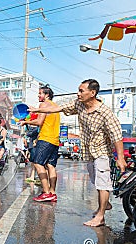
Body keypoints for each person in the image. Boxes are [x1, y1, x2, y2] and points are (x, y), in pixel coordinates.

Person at [29, 79, 126, 227]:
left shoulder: (105, 113)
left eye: (81, 91)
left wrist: (120, 158)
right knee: (96, 181)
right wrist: (37, 110)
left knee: (102, 184)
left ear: (92, 93)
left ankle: (100, 217)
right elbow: (58, 108)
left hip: (102, 152)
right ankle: (105, 204)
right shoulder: (79, 104)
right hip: (88, 152)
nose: (78, 93)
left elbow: (117, 136)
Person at [20, 85, 60, 203]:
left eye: (40, 93)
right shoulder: (55, 107)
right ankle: (52, 192)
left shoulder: (43, 105)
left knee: (38, 163)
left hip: (46, 138)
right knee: (51, 166)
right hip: (55, 139)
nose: (38, 95)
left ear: (46, 95)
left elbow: (39, 121)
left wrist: (25, 121)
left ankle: (46, 192)